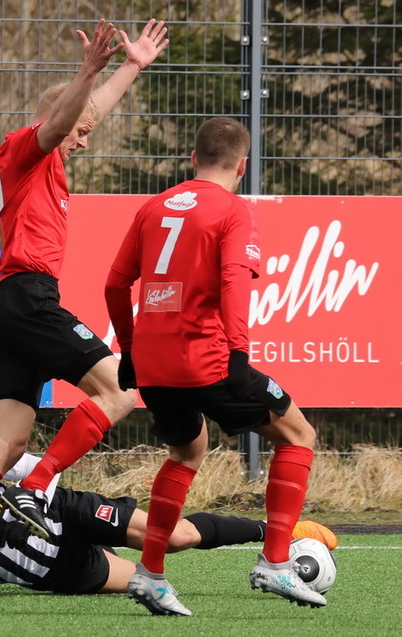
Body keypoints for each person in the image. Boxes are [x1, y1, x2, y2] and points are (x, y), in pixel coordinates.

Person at [0, 17, 170, 601]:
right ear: (58, 119)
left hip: (8, 308)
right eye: (80, 131)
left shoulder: (46, 163)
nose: (85, 139)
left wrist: (131, 67)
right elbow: (62, 120)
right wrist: (87, 71)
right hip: (28, 298)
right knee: (121, 389)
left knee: (6, 446)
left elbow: (81, 114)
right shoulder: (23, 150)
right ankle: (40, 486)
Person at [103, 117, 328, 615]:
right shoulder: (235, 209)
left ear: (193, 158)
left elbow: (115, 285)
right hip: (205, 358)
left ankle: (150, 575)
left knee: (187, 452)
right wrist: (239, 353)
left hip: (153, 365)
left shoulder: (154, 206)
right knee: (299, 435)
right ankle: (275, 562)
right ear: (242, 166)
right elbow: (233, 281)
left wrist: (130, 350)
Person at [0, 418, 337, 601]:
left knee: (174, 537)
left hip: (67, 512)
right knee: (147, 584)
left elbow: (43, 471)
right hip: (57, 570)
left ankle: (280, 531)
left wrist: (33, 507)